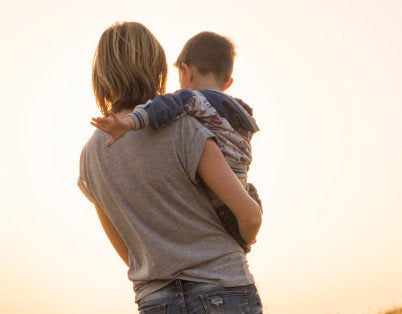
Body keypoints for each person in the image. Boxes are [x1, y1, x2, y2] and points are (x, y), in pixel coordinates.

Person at [78, 22, 263, 313]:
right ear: (156, 67)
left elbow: (131, 254)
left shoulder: (89, 156)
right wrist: (245, 239)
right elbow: (249, 216)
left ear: (101, 75)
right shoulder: (183, 128)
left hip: (155, 301)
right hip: (221, 289)